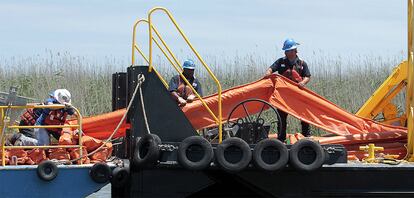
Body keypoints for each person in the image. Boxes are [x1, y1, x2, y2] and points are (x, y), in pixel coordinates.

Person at [265, 38, 311, 142]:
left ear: (295, 51)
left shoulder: (302, 64)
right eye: (286, 51)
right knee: (281, 117)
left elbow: (307, 76)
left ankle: (306, 136)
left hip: (298, 95)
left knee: (304, 116)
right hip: (283, 96)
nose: (286, 52)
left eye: (288, 50)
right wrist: (268, 73)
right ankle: (281, 139)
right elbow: (271, 69)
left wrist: (303, 83)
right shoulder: (281, 62)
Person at [8, 89, 75, 146]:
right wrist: (63, 105)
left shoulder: (64, 109)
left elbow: (74, 114)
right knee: (41, 145)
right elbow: (50, 106)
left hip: (42, 126)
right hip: (28, 125)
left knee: (46, 145)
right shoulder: (49, 102)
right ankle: (19, 138)